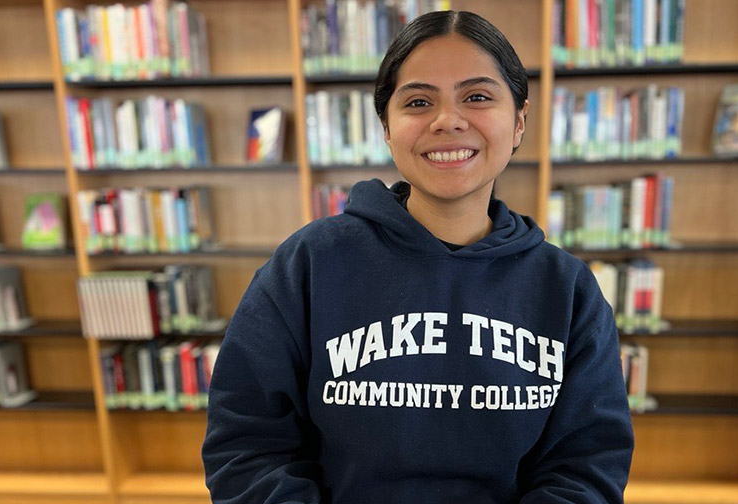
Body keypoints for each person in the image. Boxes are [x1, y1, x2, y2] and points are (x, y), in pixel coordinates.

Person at [202, 10, 633, 504]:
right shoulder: (307, 265)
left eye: (476, 96)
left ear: (518, 121)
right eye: (419, 101)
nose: (448, 120)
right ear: (387, 127)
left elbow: (587, 467)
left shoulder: (568, 290)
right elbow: (248, 446)